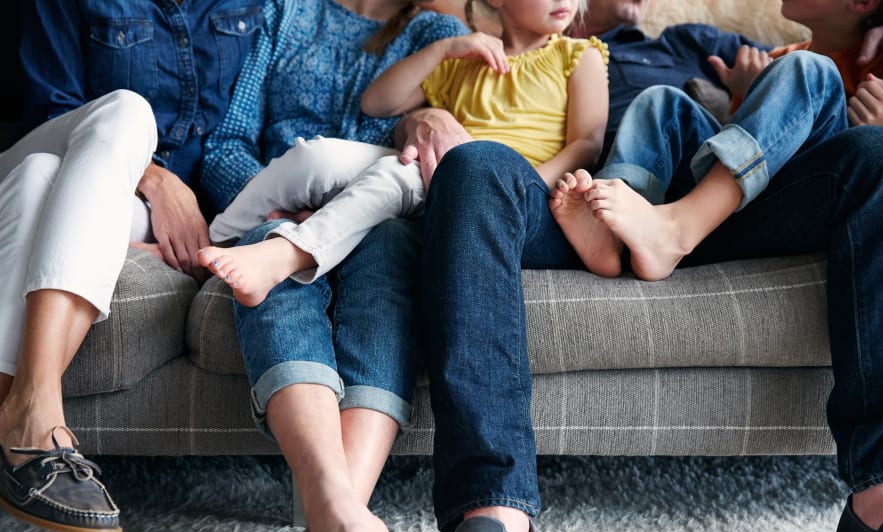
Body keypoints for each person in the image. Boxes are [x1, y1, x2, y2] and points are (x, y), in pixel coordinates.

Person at [393, 1, 883, 532]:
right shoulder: (473, 52)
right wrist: (416, 118)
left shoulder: (687, 41)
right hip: (585, 200)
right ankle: (494, 518)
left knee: (867, 139)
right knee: (473, 162)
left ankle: (881, 497)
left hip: (726, 195)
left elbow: (793, 96)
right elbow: (383, 105)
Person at [197, 0, 469, 532]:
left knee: (391, 256)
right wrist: (283, 208)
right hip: (277, 202)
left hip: (383, 220)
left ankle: (333, 531)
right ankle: (334, 513)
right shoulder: (284, 15)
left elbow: (437, 144)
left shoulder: (438, 33)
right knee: (269, 255)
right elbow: (226, 145)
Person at [0, 0, 264, 532]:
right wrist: (157, 179)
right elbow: (51, 109)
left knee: (39, 182)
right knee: (122, 111)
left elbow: (238, 135)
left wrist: (224, 233)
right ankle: (36, 410)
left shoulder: (252, 6)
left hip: (128, 212)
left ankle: (18, 415)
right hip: (58, 153)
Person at [199, 0, 607, 309]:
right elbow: (376, 103)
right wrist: (444, 50)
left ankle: (289, 254)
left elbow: (587, 142)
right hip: (439, 173)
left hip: (484, 187)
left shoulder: (578, 54)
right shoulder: (464, 58)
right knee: (316, 158)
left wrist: (523, 182)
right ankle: (215, 240)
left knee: (394, 173)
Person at [551, 0, 883, 281]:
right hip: (736, 200)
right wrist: (746, 92)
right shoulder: (776, 55)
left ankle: (676, 229)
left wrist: (882, 130)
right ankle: (616, 236)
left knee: (811, 70)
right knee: (660, 101)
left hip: (810, 191)